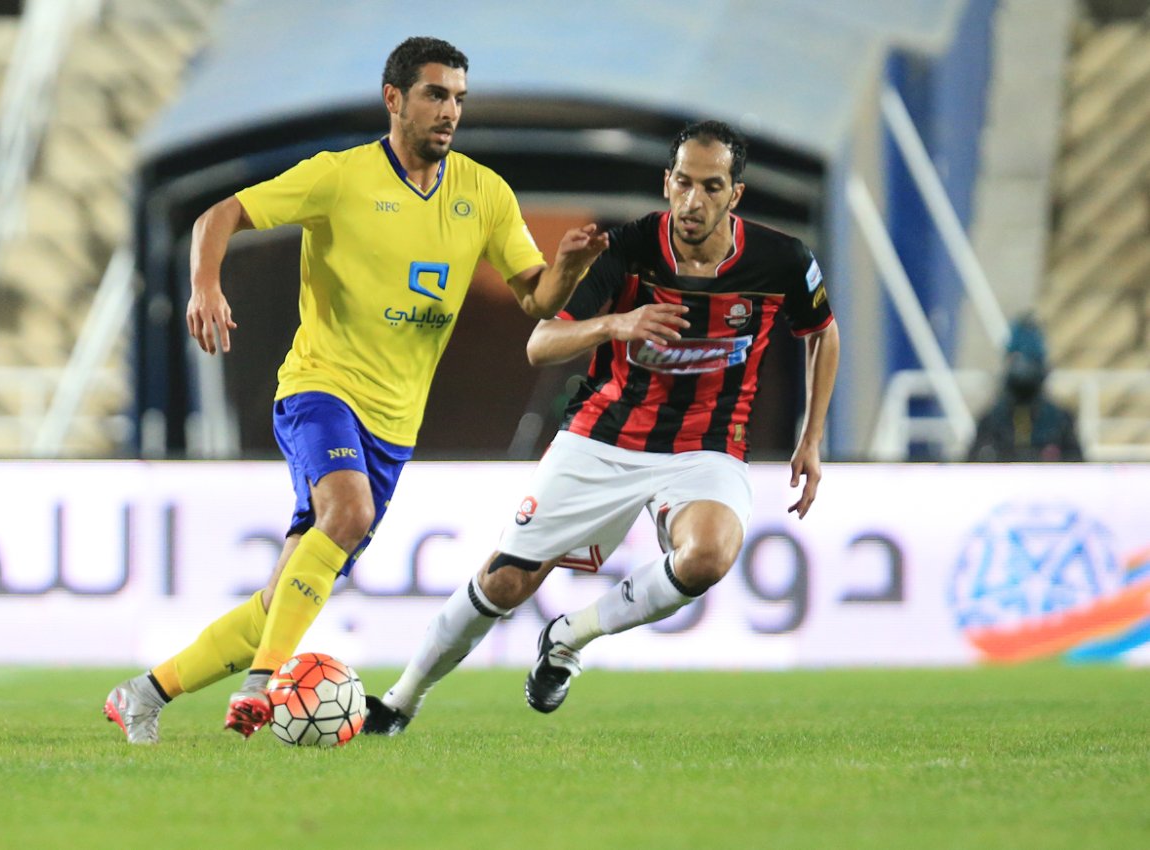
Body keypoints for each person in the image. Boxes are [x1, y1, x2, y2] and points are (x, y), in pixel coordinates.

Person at [102, 37, 607, 744]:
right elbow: (219, 216)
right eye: (435, 94)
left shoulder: (484, 194)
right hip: (319, 390)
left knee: (284, 598)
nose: (450, 111)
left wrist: (571, 269)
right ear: (394, 99)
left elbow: (536, 298)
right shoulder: (337, 177)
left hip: (395, 426)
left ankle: (144, 694)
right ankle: (266, 682)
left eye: (459, 97)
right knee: (346, 511)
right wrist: (205, 286)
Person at [362, 120, 841, 734]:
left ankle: (570, 638)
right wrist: (615, 325)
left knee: (709, 554)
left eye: (712, 187)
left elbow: (822, 333)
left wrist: (812, 437)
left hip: (708, 446)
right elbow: (541, 343)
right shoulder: (628, 250)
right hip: (605, 435)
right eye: (684, 184)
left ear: (735, 195)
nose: (694, 202)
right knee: (507, 581)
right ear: (667, 183)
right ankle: (401, 700)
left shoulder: (781, 261)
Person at [967, 316, 1082, 462]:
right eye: (1016, 360)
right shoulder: (992, 421)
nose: (1022, 367)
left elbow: (1077, 466)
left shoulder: (1059, 421)